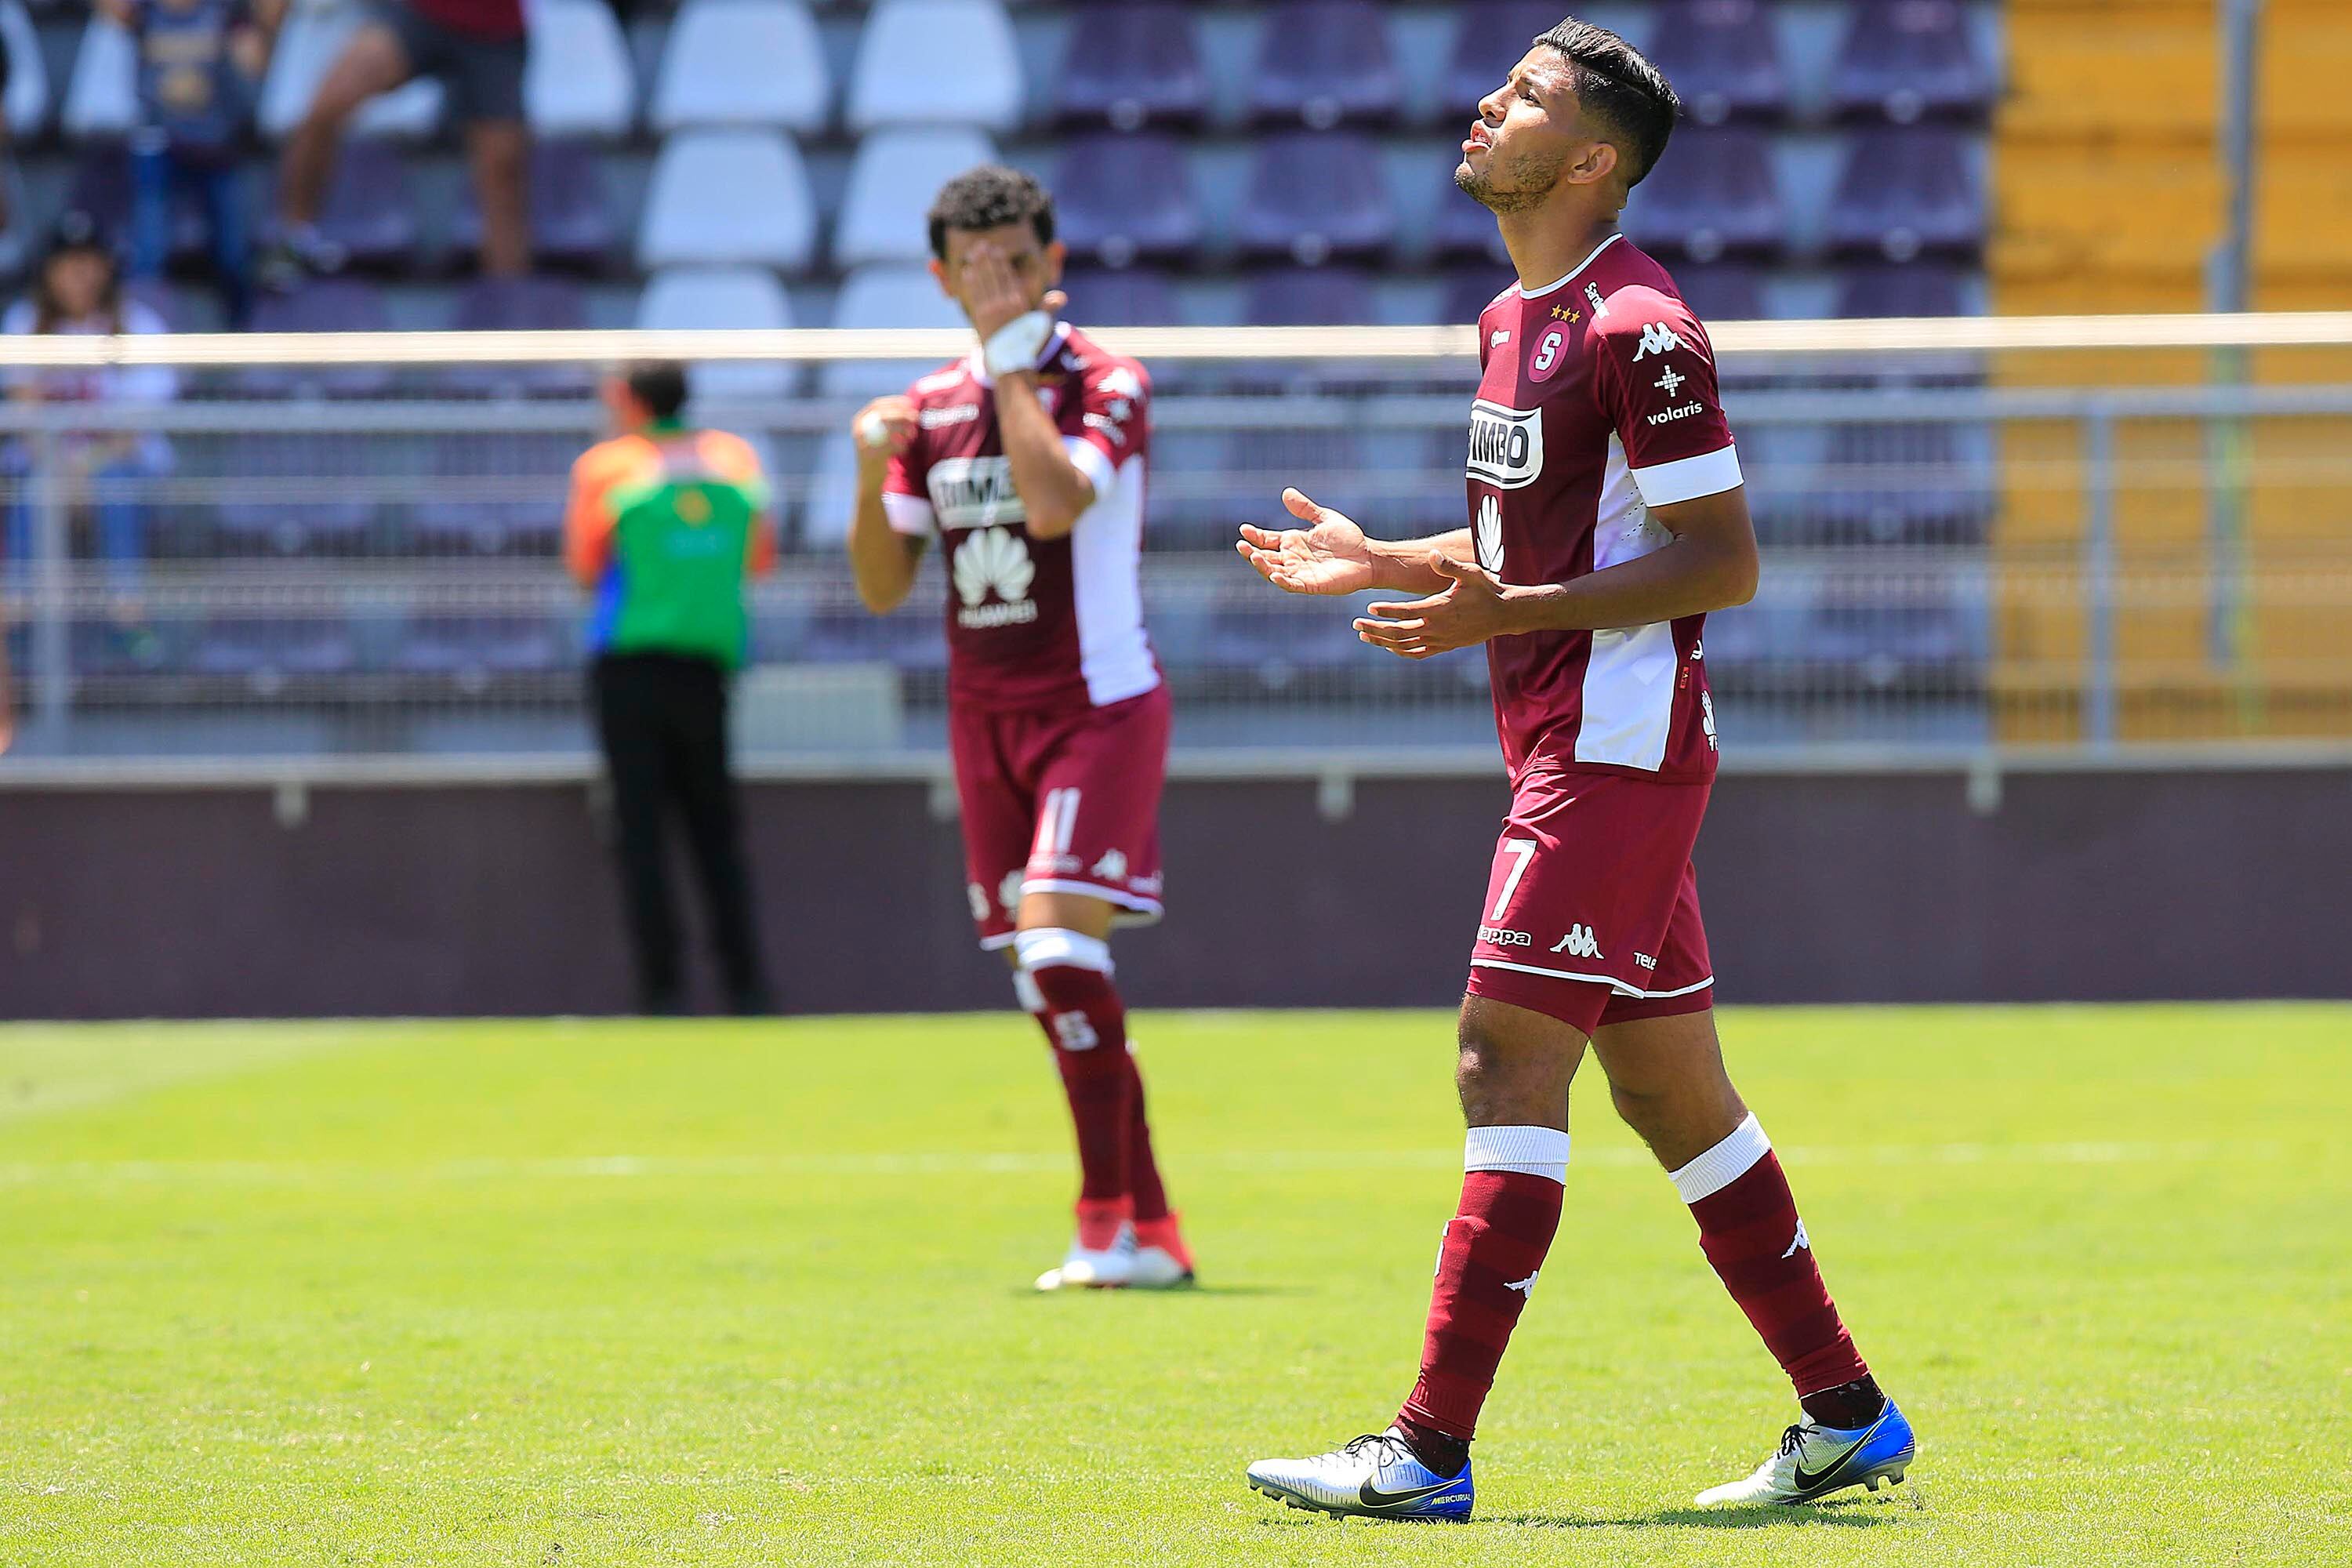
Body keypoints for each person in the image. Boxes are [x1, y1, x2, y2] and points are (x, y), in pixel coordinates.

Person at [1237, 18, 1913, 1520]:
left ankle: (1425, 1452)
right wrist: (1386, 554)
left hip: (1616, 747)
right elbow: (1529, 541)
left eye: (1528, 96)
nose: (1488, 104)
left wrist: (1511, 611)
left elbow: (1721, 563)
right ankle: (1848, 1416)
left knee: (1501, 1056)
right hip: (1567, 737)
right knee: (1673, 1097)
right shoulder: (1510, 319)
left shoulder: (1640, 328)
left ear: (1594, 160)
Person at [845, 166, 1194, 1292]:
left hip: (1098, 703)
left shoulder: (1106, 381)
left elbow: (1051, 505)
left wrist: (1008, 366)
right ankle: (1155, 1227)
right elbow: (881, 586)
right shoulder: (926, 408)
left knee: (1056, 953)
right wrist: (868, 466)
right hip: (982, 717)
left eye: (1017, 263)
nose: (997, 285)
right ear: (942, 277)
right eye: (976, 268)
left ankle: (1105, 1228)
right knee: (1048, 977)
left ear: (1054, 264)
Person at [565, 362, 777, 1017]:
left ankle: (661, 992)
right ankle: (747, 988)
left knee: (640, 835)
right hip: (708, 669)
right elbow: (760, 560)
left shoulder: (606, 467)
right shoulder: (735, 460)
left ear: (629, 400)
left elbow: (584, 566)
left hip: (628, 667)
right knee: (716, 833)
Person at [4, 216, 177, 657]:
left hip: (121, 465)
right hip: (48, 465)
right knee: (36, 491)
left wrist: (84, 467)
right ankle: (15, 615)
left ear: (106, 268)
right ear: (49, 271)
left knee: (114, 485)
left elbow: (135, 429)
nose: (80, 274)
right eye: (68, 263)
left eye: (89, 262)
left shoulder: (138, 323)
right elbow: (26, 414)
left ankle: (128, 614)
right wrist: (63, 469)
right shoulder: (25, 321)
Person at [266, 0, 528, 285]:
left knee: (503, 173)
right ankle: (294, 242)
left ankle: (510, 294)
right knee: (325, 107)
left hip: (496, 31)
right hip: (422, 11)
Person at [97, 0, 281, 327]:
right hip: (158, 145)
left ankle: (244, 334)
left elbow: (256, 65)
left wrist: (259, 30)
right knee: (149, 252)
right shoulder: (143, 11)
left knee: (234, 254)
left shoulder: (227, 13)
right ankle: (141, 333)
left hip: (216, 147)